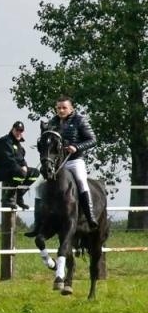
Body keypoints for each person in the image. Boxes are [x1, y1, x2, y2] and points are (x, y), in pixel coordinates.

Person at [51, 96, 98, 227]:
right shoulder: (52, 122)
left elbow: (92, 140)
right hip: (57, 163)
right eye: (58, 108)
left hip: (74, 160)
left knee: (82, 182)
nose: (61, 110)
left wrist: (76, 147)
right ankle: (39, 222)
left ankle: (90, 217)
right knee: (39, 186)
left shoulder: (80, 120)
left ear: (71, 108)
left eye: (64, 107)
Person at [0, 121, 39, 212]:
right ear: (12, 129)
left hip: (12, 169)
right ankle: (7, 198)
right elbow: (8, 159)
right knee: (20, 173)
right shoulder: (5, 141)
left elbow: (21, 159)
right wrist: (22, 169)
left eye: (21, 131)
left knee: (35, 173)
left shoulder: (18, 144)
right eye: (17, 130)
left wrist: (24, 167)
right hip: (0, 170)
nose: (19, 132)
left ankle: (19, 196)